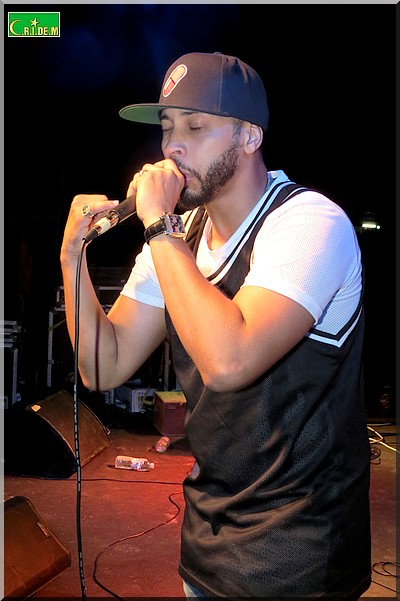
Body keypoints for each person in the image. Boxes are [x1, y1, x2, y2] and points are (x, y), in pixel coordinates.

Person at [61, 52, 371, 598]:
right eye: (167, 128)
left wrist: (159, 226)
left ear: (249, 136)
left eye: (195, 127)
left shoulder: (308, 222)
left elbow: (230, 360)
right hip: (207, 547)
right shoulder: (179, 236)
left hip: (300, 554)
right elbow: (101, 366)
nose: (172, 146)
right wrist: (71, 259)